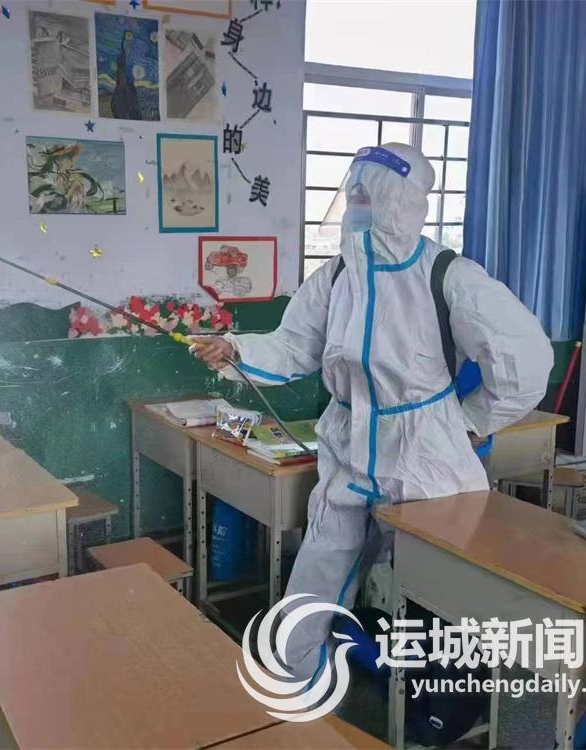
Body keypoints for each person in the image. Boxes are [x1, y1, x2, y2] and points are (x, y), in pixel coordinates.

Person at [190, 143, 552, 680]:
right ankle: (293, 683)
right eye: (353, 193)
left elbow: (525, 359)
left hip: (425, 453)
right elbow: (294, 344)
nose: (356, 205)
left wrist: (471, 420)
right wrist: (236, 350)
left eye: (368, 194)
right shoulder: (338, 275)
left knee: (440, 590)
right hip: (349, 441)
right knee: (319, 569)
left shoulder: (448, 275)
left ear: (399, 201)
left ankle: (442, 699)